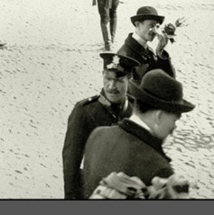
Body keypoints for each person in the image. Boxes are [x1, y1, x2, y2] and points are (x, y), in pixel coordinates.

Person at [82, 69, 195, 199]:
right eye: (174, 120)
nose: (174, 128)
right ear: (158, 116)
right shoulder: (160, 169)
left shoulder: (98, 135)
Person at [62, 52, 140, 199]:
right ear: (102, 75)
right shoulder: (84, 111)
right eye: (107, 79)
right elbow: (71, 163)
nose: (111, 86)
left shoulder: (136, 111)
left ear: (129, 79)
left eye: (119, 80)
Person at [116, 7, 175, 82]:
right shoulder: (123, 55)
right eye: (151, 25)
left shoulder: (149, 51)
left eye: (157, 26)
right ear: (137, 24)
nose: (155, 31)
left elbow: (169, 80)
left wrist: (160, 54)